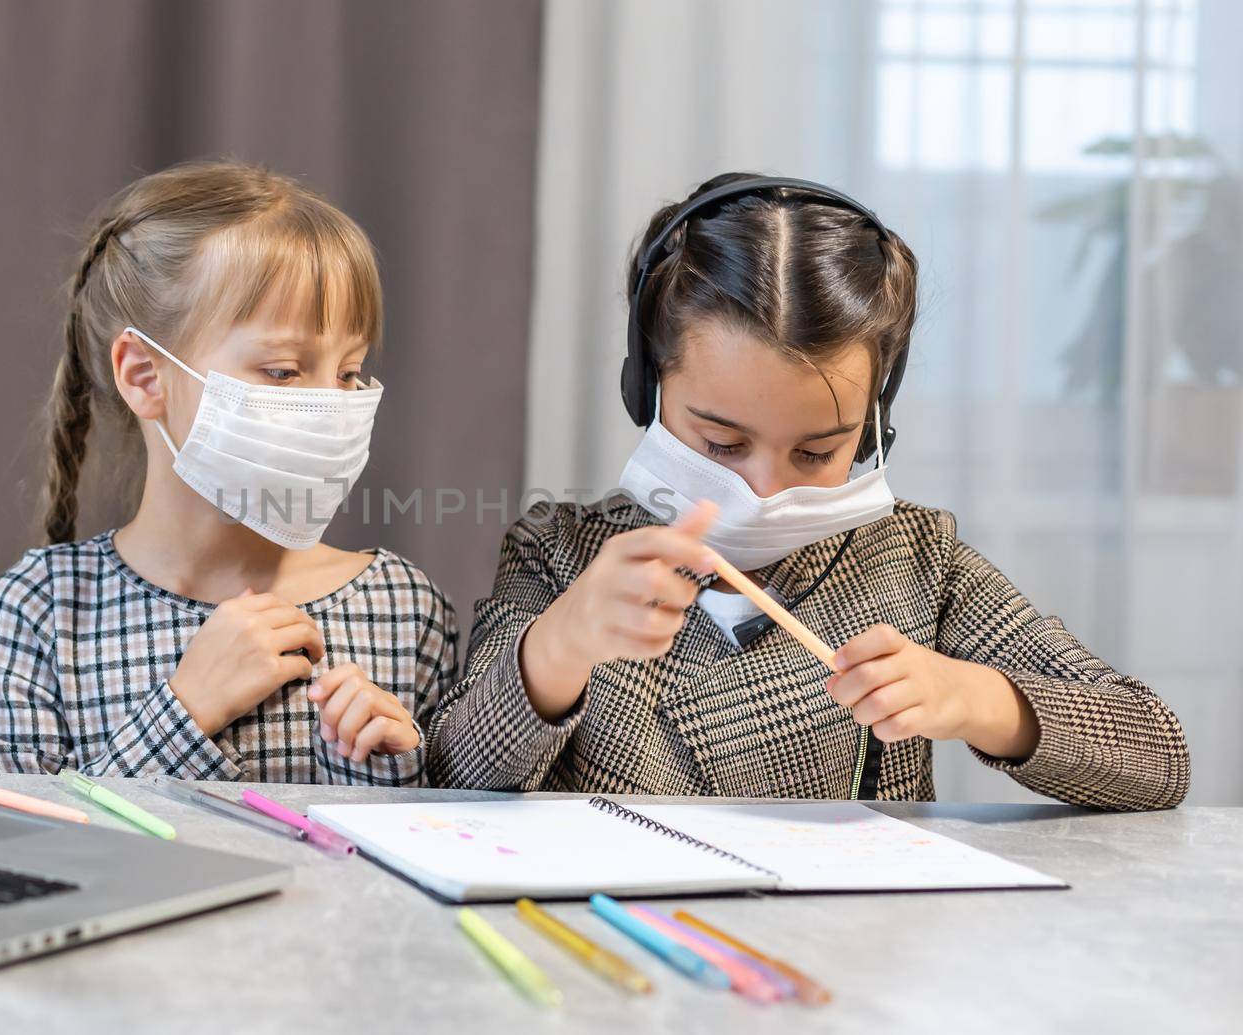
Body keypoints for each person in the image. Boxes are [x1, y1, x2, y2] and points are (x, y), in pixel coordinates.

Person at [427, 173, 1188, 811]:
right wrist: (559, 646)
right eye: (721, 443)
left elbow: (1158, 756)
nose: (763, 487)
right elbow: (452, 780)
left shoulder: (916, 561)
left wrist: (975, 699)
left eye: (817, 450)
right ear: (647, 389)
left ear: (871, 427)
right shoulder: (560, 554)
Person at [0, 160, 455, 785]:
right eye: (281, 371)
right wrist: (183, 713)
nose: (330, 405)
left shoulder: (405, 607)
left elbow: (445, 852)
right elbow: (25, 861)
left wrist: (397, 765)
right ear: (145, 376)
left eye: (349, 372)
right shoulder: (43, 610)